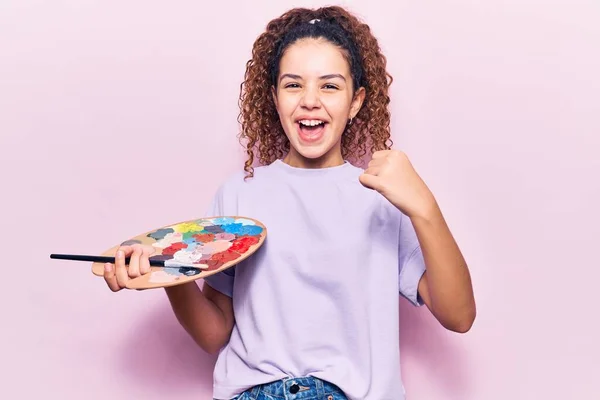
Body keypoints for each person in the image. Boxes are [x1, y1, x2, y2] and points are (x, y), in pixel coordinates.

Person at [103, 6, 476, 400]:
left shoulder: (384, 197)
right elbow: (214, 334)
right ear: (274, 98)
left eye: (329, 86)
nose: (310, 101)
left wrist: (424, 205)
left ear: (356, 101)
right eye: (293, 85)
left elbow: (459, 315)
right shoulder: (238, 194)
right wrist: (167, 276)